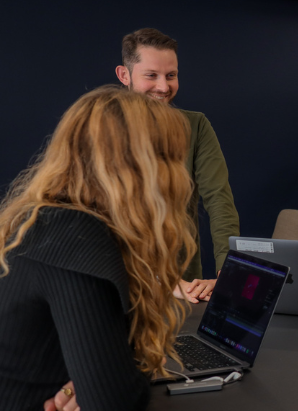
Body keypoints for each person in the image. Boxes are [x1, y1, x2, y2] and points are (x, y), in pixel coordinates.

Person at [0, 86, 196, 410]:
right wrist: (119, 372)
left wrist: (90, 382)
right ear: (140, 168)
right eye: (171, 157)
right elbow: (116, 402)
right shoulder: (73, 236)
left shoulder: (38, 219)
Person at [115, 28, 239, 303]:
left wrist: (228, 272)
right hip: (117, 280)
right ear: (125, 75)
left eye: (171, 75)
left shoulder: (196, 126)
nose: (163, 86)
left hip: (183, 282)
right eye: (151, 75)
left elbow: (219, 200)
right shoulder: (101, 128)